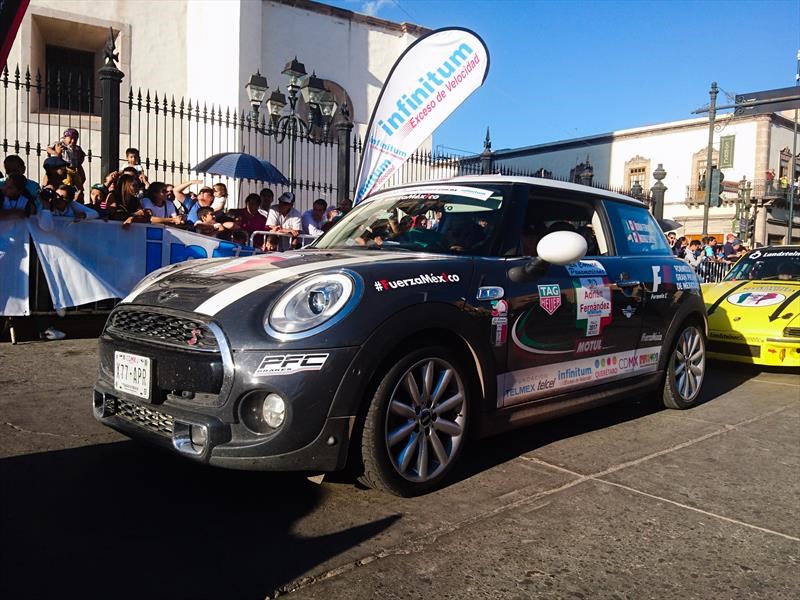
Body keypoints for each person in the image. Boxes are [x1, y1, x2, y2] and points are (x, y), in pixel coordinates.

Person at [47, 128, 86, 194]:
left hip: (73, 168)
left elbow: (82, 155)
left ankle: (78, 193)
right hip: (65, 168)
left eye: (75, 139)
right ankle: (67, 190)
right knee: (68, 180)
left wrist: (79, 162)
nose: (73, 141)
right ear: (65, 138)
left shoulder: (77, 148)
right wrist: (55, 153)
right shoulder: (60, 144)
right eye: (70, 138)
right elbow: (48, 149)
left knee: (80, 182)